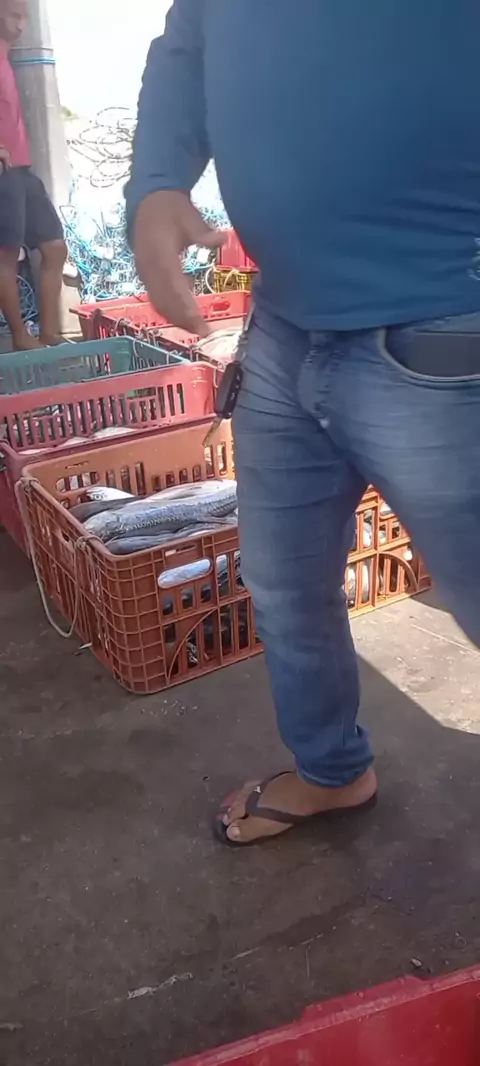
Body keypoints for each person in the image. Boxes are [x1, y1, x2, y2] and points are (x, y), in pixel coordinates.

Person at [127, 2, 480, 847]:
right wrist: (158, 178)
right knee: (284, 584)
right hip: (283, 325)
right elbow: (191, 39)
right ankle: (332, 770)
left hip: (449, 326)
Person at [0, 0, 66, 349]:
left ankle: (50, 332)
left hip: (22, 169)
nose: (21, 25)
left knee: (54, 247)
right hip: (4, 172)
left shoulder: (6, 56)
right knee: (5, 256)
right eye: (14, 16)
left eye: (24, 17)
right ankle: (20, 336)